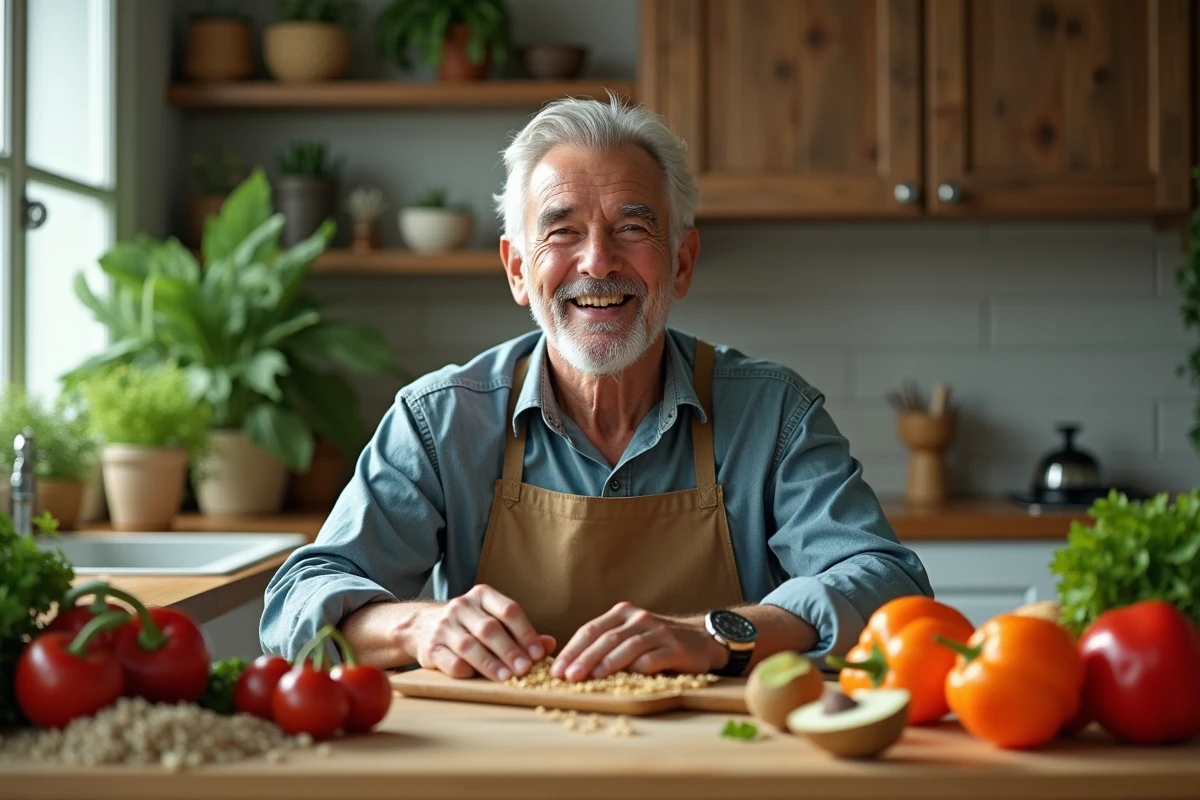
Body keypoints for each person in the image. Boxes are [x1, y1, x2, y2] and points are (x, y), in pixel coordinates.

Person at [261, 95, 933, 684]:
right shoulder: (441, 422)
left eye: (633, 228)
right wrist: (415, 628)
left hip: (723, 761)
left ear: (682, 261)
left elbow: (891, 589)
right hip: (498, 767)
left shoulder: (773, 412)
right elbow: (297, 604)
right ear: (519, 270)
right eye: (562, 230)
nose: (597, 260)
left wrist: (713, 635)